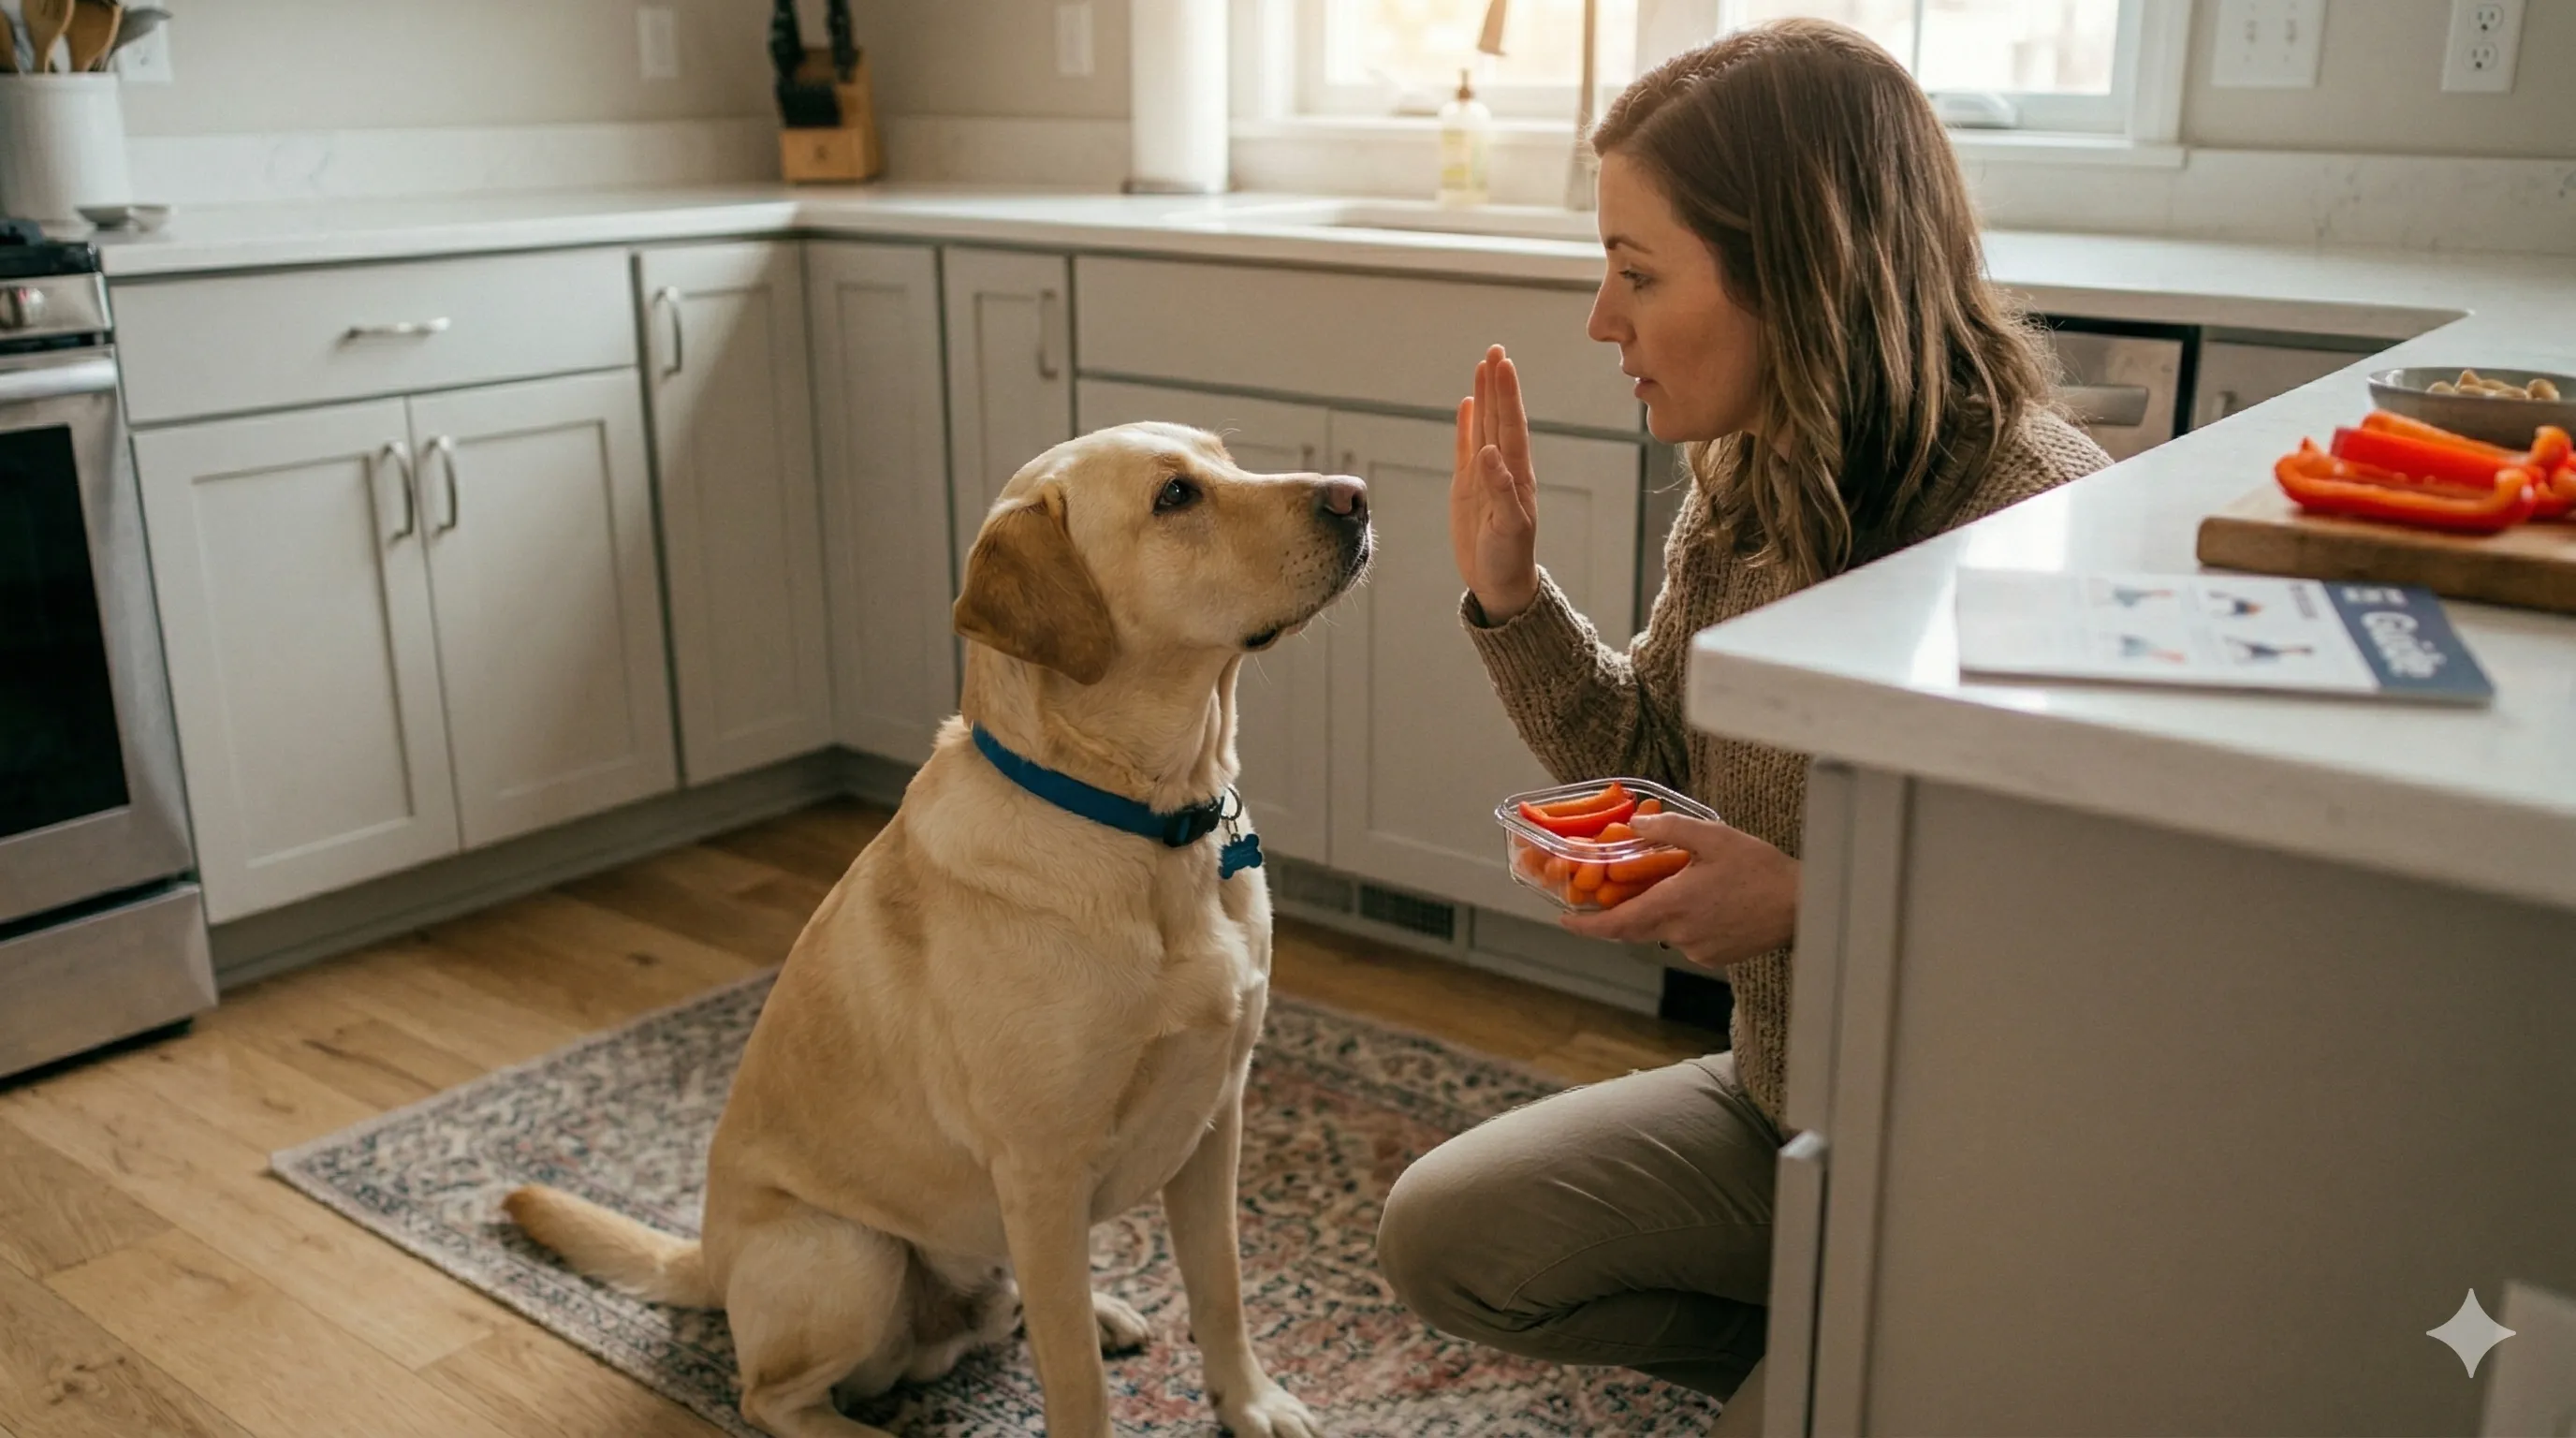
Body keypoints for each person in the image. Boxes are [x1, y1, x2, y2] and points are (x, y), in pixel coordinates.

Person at [1374, 18, 2111, 1426]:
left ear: (1799, 279)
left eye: (1639, 274)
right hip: (1785, 1106)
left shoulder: (2038, 519)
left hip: (1980, 1170)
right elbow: (1659, 768)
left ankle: (1942, 1353)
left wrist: (1810, 908)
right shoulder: (1750, 471)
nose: (1603, 320)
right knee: (1446, 1238)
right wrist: (1512, 596)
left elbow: (2087, 950)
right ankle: (1867, 1354)